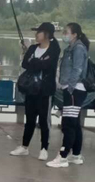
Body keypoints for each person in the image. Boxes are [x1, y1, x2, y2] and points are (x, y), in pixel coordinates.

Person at [10, 22, 60, 160]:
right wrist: (37, 62)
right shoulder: (32, 48)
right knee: (30, 119)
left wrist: (35, 62)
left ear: (47, 34)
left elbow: (47, 65)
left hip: (45, 91)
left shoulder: (54, 49)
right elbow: (25, 63)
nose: (36, 34)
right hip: (31, 89)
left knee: (44, 120)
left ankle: (44, 148)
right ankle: (24, 146)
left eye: (39, 32)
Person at [47, 22, 90, 168]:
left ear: (75, 34)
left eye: (66, 32)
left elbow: (77, 69)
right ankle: (76, 155)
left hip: (74, 89)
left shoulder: (78, 48)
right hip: (72, 89)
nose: (64, 34)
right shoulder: (71, 48)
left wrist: (70, 87)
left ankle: (63, 156)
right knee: (75, 123)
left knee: (68, 124)